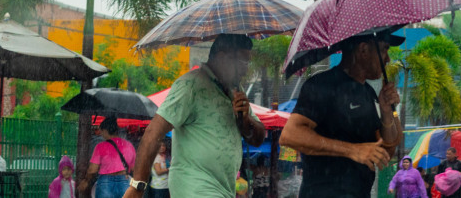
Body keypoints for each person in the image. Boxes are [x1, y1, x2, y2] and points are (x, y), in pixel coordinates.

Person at [122, 34, 266, 198]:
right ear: (221, 57)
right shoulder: (190, 85)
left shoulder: (236, 90)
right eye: (243, 61)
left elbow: (258, 139)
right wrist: (137, 186)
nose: (246, 69)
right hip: (195, 188)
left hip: (224, 191)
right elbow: (154, 132)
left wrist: (245, 119)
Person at [279, 31, 404, 198]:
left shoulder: (369, 93)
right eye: (383, 50)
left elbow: (385, 153)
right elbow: (289, 135)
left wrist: (387, 112)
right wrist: (352, 150)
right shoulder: (322, 85)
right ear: (363, 50)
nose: (387, 59)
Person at [80, 116, 136, 197]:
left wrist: (86, 180)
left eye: (101, 131)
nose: (101, 134)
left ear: (105, 131)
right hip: (125, 181)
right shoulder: (129, 145)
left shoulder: (100, 146)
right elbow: (134, 168)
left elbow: (92, 169)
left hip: (105, 182)